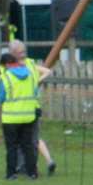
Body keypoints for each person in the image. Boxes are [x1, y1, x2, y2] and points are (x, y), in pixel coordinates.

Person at [5, 41, 57, 177]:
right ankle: (43, 162)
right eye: (22, 52)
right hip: (31, 107)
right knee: (32, 140)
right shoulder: (29, 64)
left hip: (20, 110)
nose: (23, 54)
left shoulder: (16, 66)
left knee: (26, 141)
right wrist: (38, 81)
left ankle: (29, 167)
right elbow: (47, 71)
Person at [0, 51, 41, 181]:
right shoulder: (30, 75)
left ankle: (11, 173)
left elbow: (1, 98)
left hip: (10, 118)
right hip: (28, 116)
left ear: (6, 65)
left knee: (11, 147)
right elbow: (35, 92)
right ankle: (32, 173)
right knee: (28, 146)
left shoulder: (6, 77)